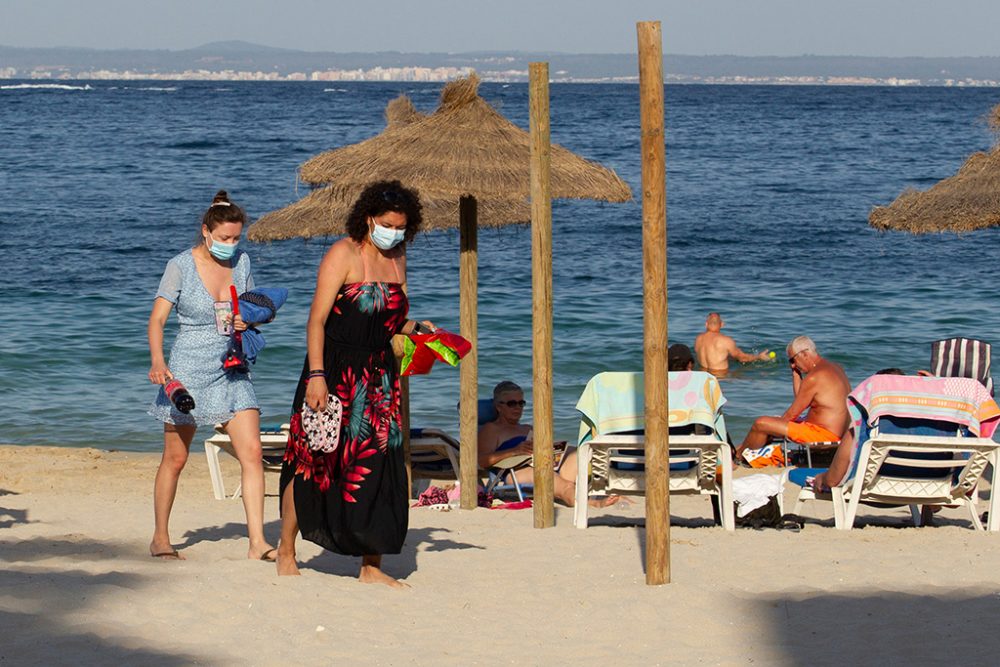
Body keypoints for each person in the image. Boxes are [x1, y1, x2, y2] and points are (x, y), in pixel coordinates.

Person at [277, 180, 433, 588]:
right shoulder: (343, 253)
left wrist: (416, 328)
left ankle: (371, 566)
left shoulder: (398, 257)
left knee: (379, 468)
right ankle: (286, 549)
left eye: (401, 227)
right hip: (333, 370)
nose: (394, 233)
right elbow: (316, 320)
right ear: (368, 219)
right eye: (387, 224)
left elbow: (391, 317)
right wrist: (316, 376)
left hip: (379, 377)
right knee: (313, 460)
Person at [147, 190, 275, 561]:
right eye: (224, 238)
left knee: (251, 452)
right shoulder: (180, 266)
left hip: (232, 368)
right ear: (206, 232)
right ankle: (160, 538)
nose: (231, 245)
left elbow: (251, 306)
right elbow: (156, 320)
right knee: (176, 458)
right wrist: (158, 361)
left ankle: (257, 543)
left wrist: (247, 317)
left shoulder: (243, 261)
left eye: (236, 238)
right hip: (187, 369)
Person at [477, 381, 619, 508]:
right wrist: (514, 451)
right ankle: (589, 503)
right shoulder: (491, 429)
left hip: (543, 463)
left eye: (521, 403)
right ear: (498, 406)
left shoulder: (527, 428)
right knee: (565, 485)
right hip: (516, 471)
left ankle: (609, 488)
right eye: (511, 403)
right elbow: (482, 460)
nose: (517, 407)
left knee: (581, 453)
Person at [735, 336, 851, 464]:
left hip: (824, 434)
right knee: (771, 422)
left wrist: (775, 427)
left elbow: (792, 414)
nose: (793, 364)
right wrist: (795, 373)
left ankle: (737, 457)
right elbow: (801, 399)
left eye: (793, 360)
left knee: (761, 423)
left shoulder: (815, 377)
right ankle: (742, 450)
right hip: (838, 432)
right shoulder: (834, 367)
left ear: (805, 354)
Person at [694, 312, 771, 376]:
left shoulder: (698, 339)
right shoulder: (726, 341)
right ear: (722, 324)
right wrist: (758, 357)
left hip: (703, 376)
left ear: (706, 324)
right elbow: (742, 358)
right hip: (721, 377)